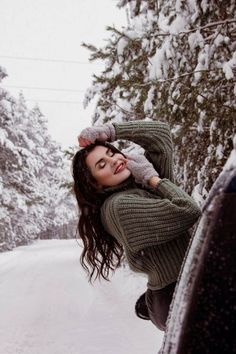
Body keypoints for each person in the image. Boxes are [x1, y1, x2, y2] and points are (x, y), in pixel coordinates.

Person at [72, 120, 201, 330]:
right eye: (101, 164)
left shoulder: (139, 186)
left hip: (187, 285)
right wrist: (153, 179)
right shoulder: (119, 206)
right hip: (176, 294)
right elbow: (188, 211)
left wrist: (109, 131)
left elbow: (160, 135)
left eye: (111, 154)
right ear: (95, 183)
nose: (113, 161)